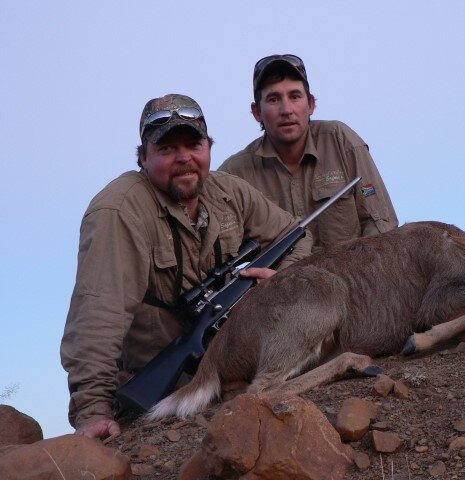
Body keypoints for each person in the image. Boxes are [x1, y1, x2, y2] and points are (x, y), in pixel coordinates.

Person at [61, 94, 313, 439]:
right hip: (159, 384)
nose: (184, 159)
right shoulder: (118, 211)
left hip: (233, 367)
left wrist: (281, 278)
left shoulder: (229, 191)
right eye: (166, 149)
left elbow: (297, 235)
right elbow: (98, 312)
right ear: (142, 158)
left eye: (194, 144)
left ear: (209, 147)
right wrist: (93, 410)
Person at [219, 54, 398, 252]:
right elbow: (220, 256)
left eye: (295, 96)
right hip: (278, 283)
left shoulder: (342, 141)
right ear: (257, 112)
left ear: (311, 104)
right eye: (273, 99)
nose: (286, 109)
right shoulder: (233, 175)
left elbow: (382, 227)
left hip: (351, 278)